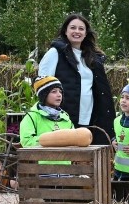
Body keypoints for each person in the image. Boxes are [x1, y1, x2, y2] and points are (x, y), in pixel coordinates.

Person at [38, 13, 114, 145]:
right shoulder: (55, 53)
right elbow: (42, 84)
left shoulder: (92, 58)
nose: (77, 31)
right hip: (63, 115)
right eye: (73, 28)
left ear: (86, 33)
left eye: (81, 29)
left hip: (89, 116)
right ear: (65, 31)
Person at [19, 76, 74, 147]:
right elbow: (26, 142)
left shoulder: (65, 117)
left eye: (60, 92)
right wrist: (52, 140)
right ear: (43, 95)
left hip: (66, 158)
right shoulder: (32, 117)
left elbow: (73, 140)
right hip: (42, 158)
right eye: (54, 91)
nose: (59, 95)